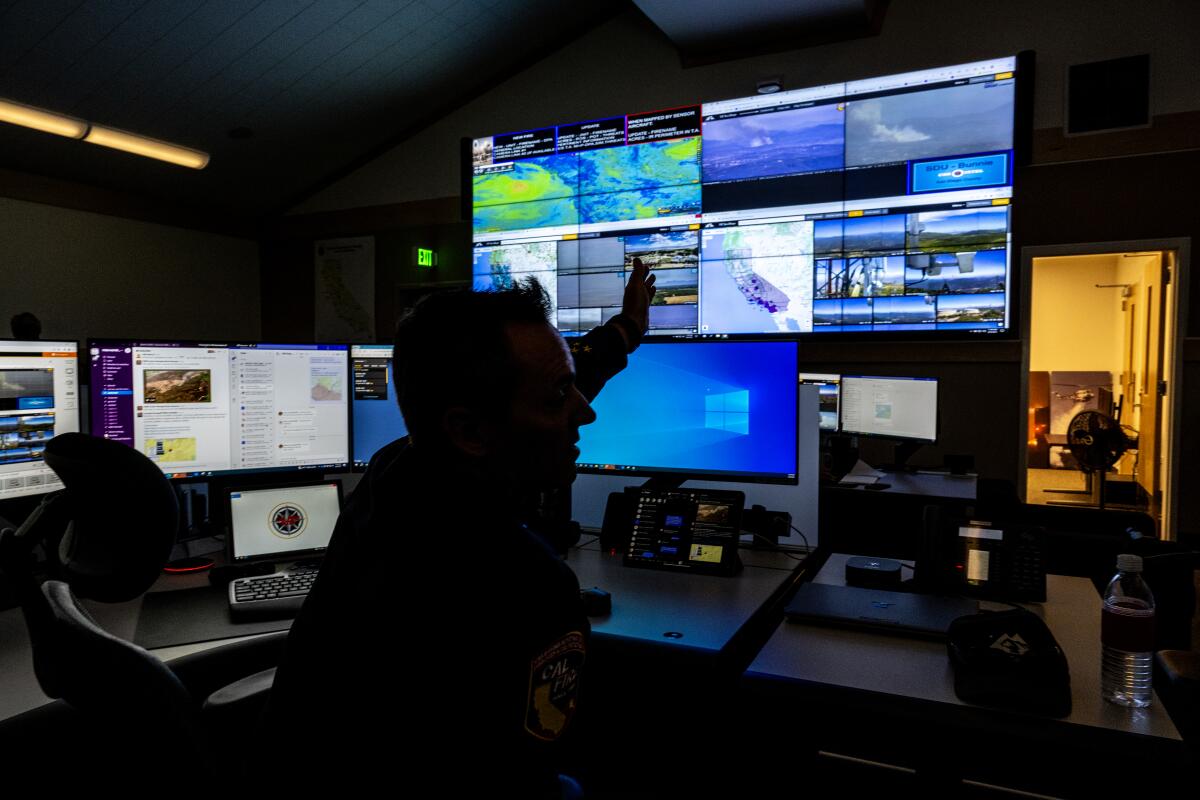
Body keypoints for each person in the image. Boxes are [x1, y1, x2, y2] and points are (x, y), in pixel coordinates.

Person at [261, 261, 656, 794]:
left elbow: (540, 385)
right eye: (559, 396)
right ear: (469, 430)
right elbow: (532, 764)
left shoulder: (392, 470)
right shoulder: (525, 584)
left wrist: (625, 330)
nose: (585, 413)